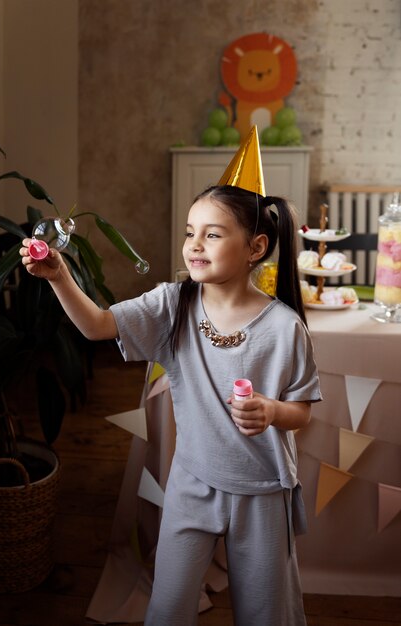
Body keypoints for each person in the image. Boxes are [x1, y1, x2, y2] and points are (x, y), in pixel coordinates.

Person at [20, 127, 321, 626]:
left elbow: (302, 413)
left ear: (256, 247)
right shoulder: (171, 303)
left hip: (263, 491)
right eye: (190, 231)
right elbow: (97, 325)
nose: (194, 244)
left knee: (269, 614)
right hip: (193, 481)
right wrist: (59, 276)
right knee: (167, 608)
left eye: (214, 233)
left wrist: (271, 411)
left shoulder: (285, 328)